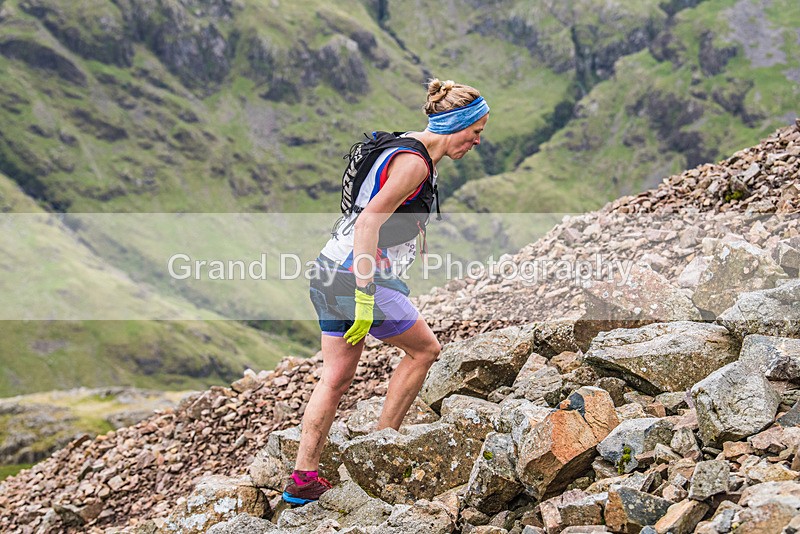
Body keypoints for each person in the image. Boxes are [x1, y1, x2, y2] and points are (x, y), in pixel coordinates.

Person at [282, 78, 489, 505]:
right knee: (425, 351)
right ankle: (381, 448)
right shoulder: (414, 164)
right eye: (476, 131)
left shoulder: (403, 143)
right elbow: (368, 223)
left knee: (335, 377)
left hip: (325, 269)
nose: (477, 141)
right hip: (353, 276)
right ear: (458, 123)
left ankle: (303, 480)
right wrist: (363, 293)